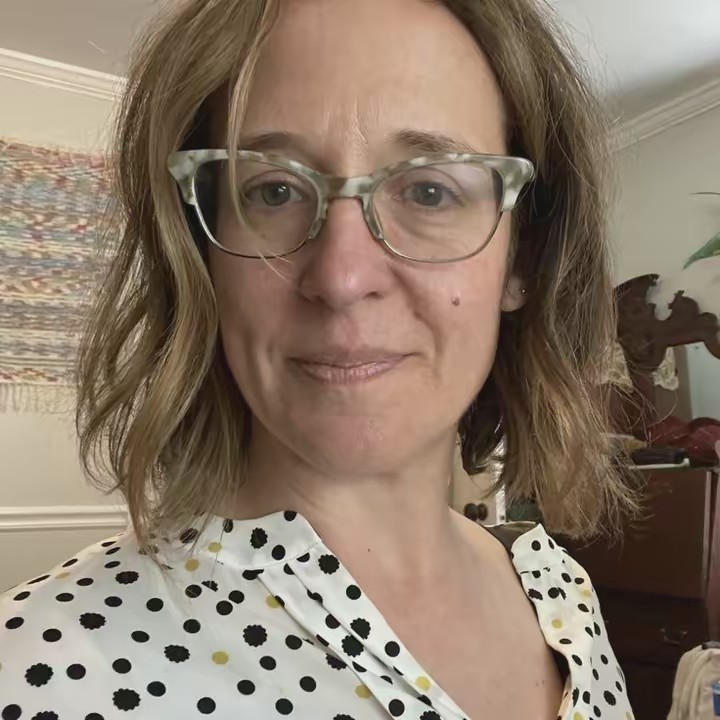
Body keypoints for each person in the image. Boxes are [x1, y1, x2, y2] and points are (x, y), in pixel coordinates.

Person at [0, 0, 636, 718]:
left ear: (523, 258)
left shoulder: (561, 597)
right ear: (201, 258)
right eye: (274, 191)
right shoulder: (36, 671)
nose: (341, 277)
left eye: (429, 191)